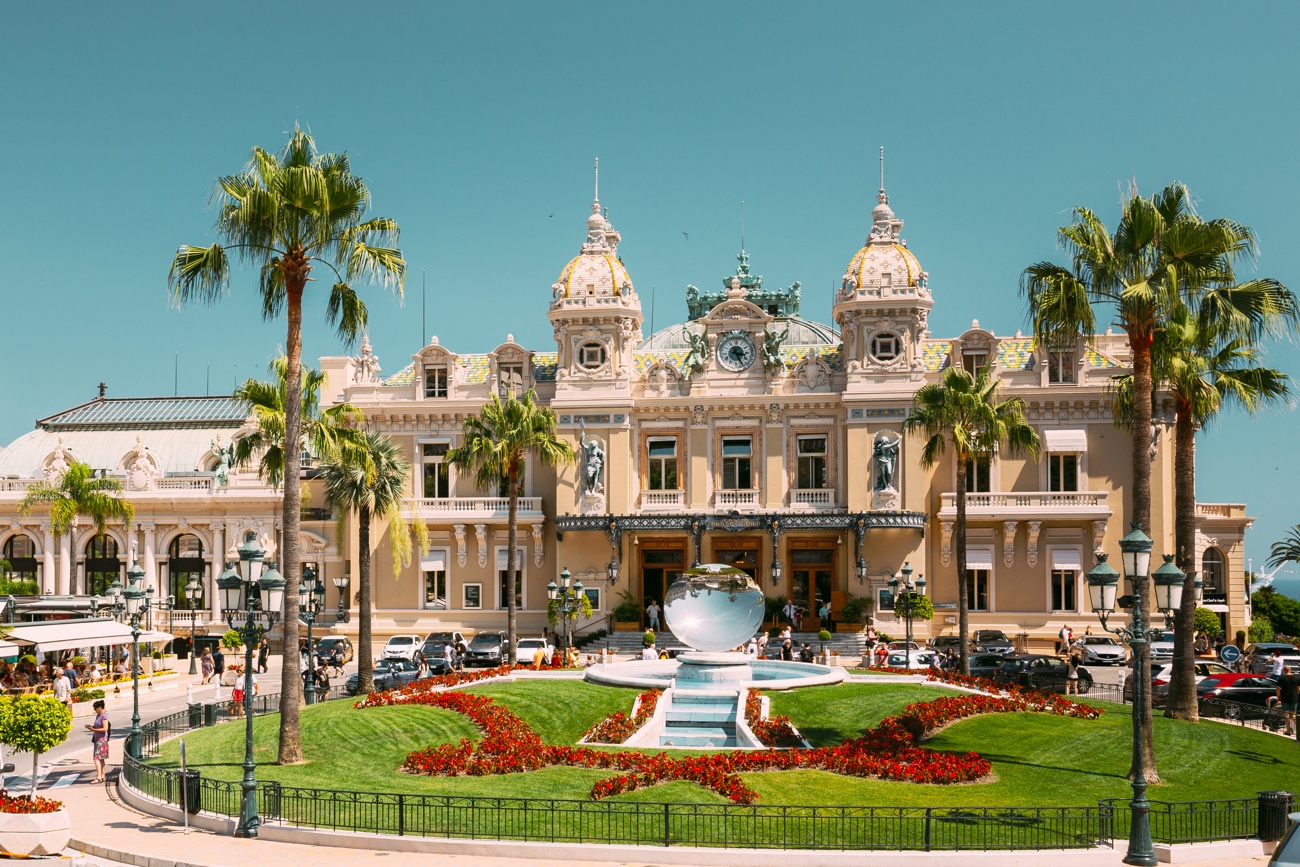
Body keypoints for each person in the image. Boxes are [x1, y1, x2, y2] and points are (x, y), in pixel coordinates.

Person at [87, 699, 110, 783]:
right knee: (101, 759)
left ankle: (99, 777)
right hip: (97, 739)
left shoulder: (104, 716)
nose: (95, 710)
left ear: (100, 707)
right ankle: (103, 775)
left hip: (101, 740)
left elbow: (105, 728)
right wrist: (92, 727)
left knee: (96, 758)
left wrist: (94, 729)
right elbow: (97, 726)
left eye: (95, 708)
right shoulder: (98, 715)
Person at [1275, 665, 1300, 737]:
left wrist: (1278, 696)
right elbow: (1298, 689)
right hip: (1294, 698)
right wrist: (1296, 695)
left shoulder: (1282, 678)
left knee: (1286, 715)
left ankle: (1288, 730)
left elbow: (1278, 688)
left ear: (1284, 670)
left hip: (1285, 698)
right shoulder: (1296, 678)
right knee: (1294, 715)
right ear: (1290, 670)